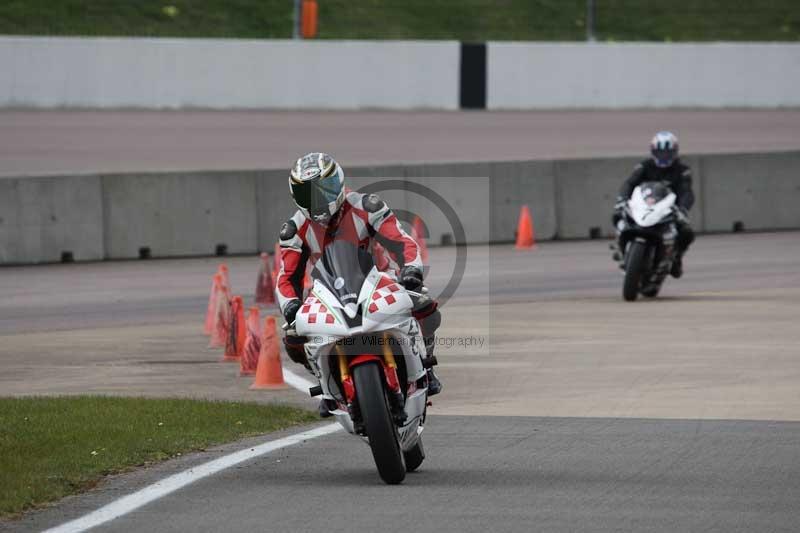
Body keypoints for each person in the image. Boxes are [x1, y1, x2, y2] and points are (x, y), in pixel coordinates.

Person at [276, 152, 442, 417]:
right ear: (297, 196)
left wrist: (411, 271)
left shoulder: (368, 206)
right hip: (325, 293)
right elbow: (287, 276)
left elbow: (402, 242)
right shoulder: (294, 230)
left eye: (325, 189)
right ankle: (326, 383)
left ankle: (427, 365)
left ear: (339, 182)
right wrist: (291, 305)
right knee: (292, 337)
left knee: (423, 301)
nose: (319, 199)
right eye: (309, 193)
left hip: (377, 280)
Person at [613, 131, 695, 278]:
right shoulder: (644, 166)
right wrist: (622, 199)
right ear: (653, 151)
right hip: (644, 205)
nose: (664, 156)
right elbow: (629, 183)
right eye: (660, 152)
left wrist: (683, 208)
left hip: (668, 210)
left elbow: (686, 192)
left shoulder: (683, 171)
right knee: (617, 215)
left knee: (687, 232)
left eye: (667, 152)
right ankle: (621, 249)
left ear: (674, 152)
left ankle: (676, 258)